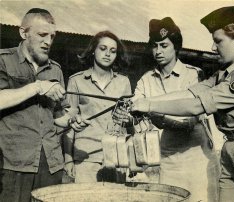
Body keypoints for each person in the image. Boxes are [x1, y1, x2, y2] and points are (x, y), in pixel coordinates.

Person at [130, 6, 234, 202]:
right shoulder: (222, 75)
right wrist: (140, 101)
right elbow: (188, 92)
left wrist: (147, 106)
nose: (213, 48)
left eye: (218, 41)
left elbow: (196, 106)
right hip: (231, 150)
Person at [114, 17, 219, 202]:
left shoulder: (193, 74)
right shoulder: (146, 80)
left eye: (164, 45)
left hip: (197, 159)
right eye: (154, 46)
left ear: (176, 46)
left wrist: (156, 116)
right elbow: (134, 111)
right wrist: (125, 116)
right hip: (168, 159)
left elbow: (190, 119)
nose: (158, 51)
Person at [0, 8, 89, 202]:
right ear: (24, 33)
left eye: (52, 36)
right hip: (15, 165)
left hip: (51, 164)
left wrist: (72, 120)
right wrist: (38, 87)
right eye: (42, 35)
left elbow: (57, 118)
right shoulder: (4, 60)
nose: (48, 42)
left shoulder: (55, 69)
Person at [62, 31, 132, 183]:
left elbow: (127, 122)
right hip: (86, 157)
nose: (108, 54)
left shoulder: (124, 82)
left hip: (116, 157)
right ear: (93, 50)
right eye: (103, 48)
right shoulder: (76, 81)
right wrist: (68, 159)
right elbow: (68, 123)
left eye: (113, 51)